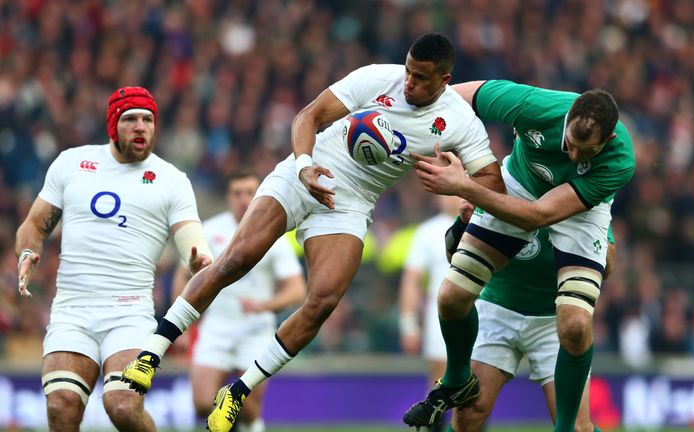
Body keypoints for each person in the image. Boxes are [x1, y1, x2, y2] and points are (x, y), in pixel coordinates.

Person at [121, 33, 505, 432]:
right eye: (408, 71)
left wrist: (463, 186)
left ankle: (237, 392)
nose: (409, 83)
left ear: (445, 80)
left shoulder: (459, 122)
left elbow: (492, 181)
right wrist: (304, 165)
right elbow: (308, 116)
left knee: (322, 301)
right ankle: (151, 352)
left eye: (421, 78)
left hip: (350, 201)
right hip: (305, 171)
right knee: (235, 259)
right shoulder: (378, 78)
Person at [403, 80, 635, 432]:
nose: (573, 158)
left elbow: (539, 216)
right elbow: (454, 98)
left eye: (587, 153)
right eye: (570, 145)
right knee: (451, 298)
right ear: (565, 121)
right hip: (500, 305)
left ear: (609, 141)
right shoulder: (535, 107)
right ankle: (456, 378)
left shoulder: (617, 165)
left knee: (575, 325)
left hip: (549, 319)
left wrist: (468, 187)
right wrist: (464, 159)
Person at [15, 86, 212, 432]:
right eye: (131, 119)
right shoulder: (72, 163)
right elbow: (33, 225)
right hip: (73, 308)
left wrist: (199, 258)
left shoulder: (171, 179)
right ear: (112, 125)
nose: (141, 127)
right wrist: (29, 252)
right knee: (62, 406)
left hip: (130, 312)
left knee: (121, 405)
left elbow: (192, 237)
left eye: (148, 119)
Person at [449, 202, 613, 432]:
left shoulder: (579, 196)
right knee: (468, 413)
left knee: (576, 427)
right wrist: (463, 223)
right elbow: (453, 258)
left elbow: (608, 266)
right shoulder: (507, 183)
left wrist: (587, 241)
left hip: (554, 319)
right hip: (498, 308)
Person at [172, 169, 306, 432]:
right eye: (237, 193)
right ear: (228, 196)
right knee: (201, 403)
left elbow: (297, 289)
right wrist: (183, 326)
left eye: (249, 193)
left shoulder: (273, 234)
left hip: (255, 330)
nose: (244, 199)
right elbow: (183, 277)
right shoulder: (210, 231)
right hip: (217, 327)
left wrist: (264, 306)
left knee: (248, 410)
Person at [399, 195, 463, 432]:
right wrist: (408, 324)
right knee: (440, 385)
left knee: (477, 388)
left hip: (482, 316)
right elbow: (411, 281)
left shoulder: (483, 226)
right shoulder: (426, 232)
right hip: (440, 321)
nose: (451, 198)